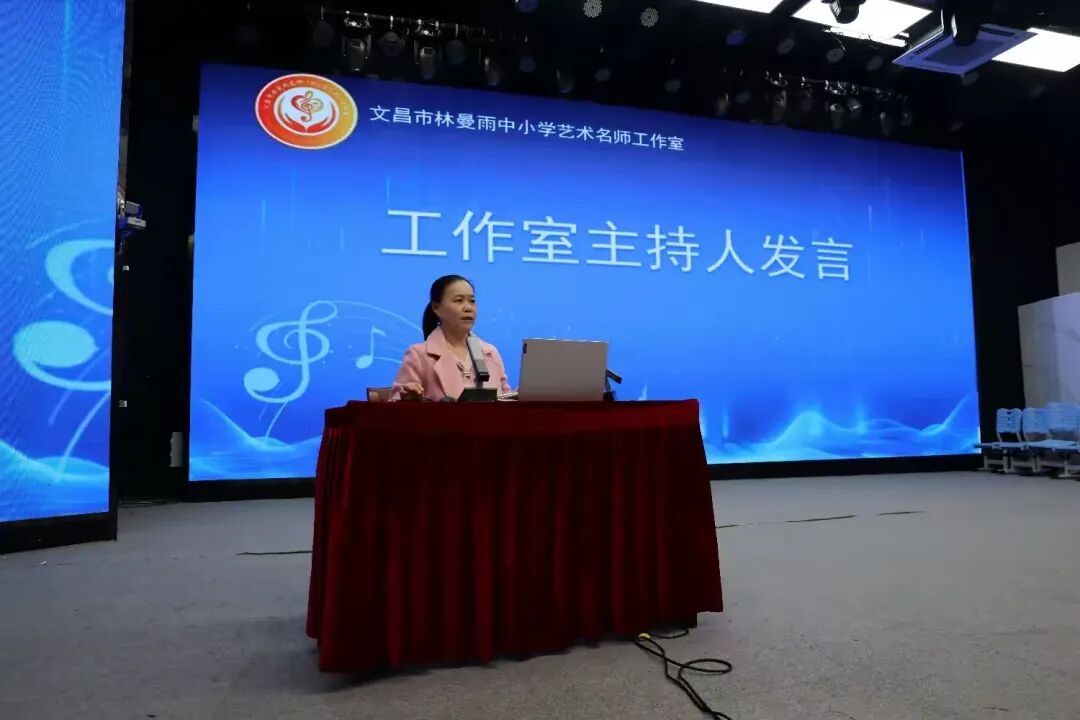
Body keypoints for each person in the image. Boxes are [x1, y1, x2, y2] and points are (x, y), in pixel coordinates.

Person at [391, 275, 512, 401]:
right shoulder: (419, 355)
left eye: (472, 301)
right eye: (459, 300)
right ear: (436, 308)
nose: (468, 308)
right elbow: (394, 404)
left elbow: (507, 400)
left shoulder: (490, 353)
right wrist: (408, 399)